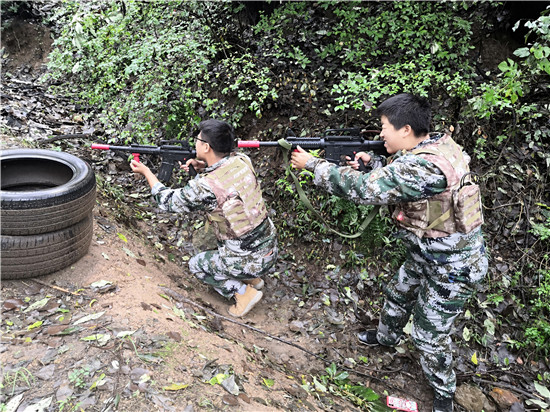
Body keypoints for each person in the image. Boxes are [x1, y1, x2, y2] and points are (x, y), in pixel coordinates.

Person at [290, 93, 488, 412]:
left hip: (453, 268)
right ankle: (386, 339)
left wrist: (312, 165)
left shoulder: (423, 165)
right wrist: (376, 163)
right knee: (398, 293)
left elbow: (366, 190)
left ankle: (444, 396)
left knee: (428, 335)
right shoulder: (437, 145)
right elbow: (404, 181)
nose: (381, 134)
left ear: (406, 129)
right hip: (428, 253)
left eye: (384, 127)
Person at [131, 119, 278, 317]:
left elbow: (167, 201)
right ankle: (253, 278)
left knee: (196, 265)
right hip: (269, 248)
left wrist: (146, 172)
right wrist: (203, 166)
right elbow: (226, 180)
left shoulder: (204, 186)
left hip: (249, 258)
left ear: (206, 146)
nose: (196, 143)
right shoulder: (242, 160)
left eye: (198, 140)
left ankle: (243, 292)